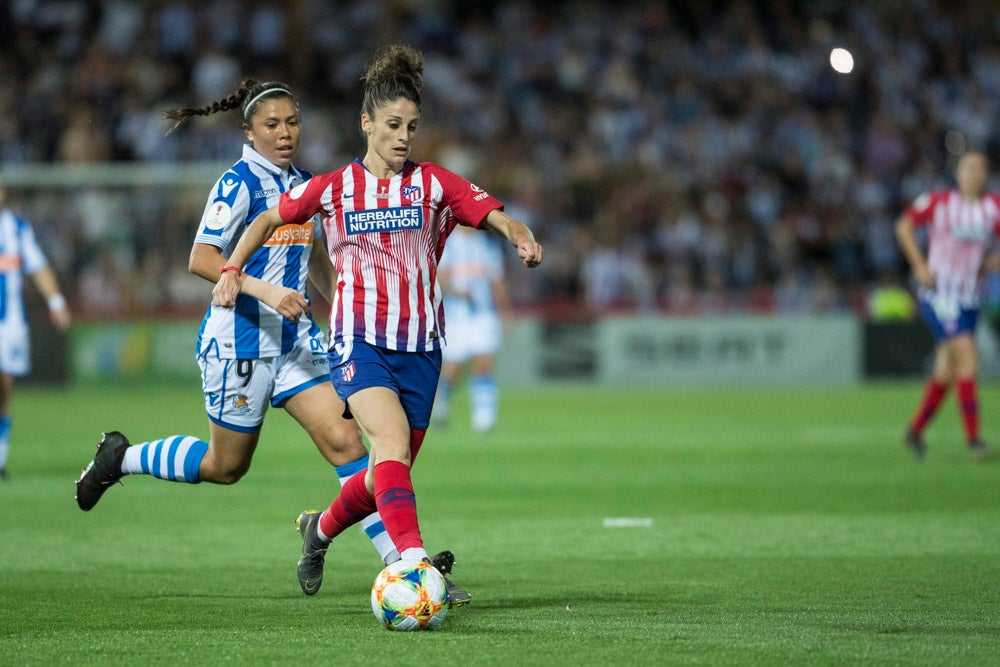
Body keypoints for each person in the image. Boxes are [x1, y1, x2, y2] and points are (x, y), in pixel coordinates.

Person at [73, 80, 468, 591]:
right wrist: (264, 290)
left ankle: (404, 566)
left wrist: (342, 313)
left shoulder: (306, 181)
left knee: (349, 441)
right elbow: (201, 259)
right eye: (271, 125)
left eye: (292, 123)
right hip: (241, 341)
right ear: (249, 131)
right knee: (226, 465)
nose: (285, 134)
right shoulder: (237, 184)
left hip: (296, 342)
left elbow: (322, 261)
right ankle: (120, 457)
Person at [213, 44, 543, 604]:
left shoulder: (434, 183)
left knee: (387, 470)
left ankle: (317, 530)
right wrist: (231, 268)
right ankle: (414, 564)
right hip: (358, 340)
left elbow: (489, 213)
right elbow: (270, 215)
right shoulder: (335, 187)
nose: (403, 136)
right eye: (392, 124)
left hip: (421, 345)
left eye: (411, 126)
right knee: (387, 443)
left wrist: (520, 236)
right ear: (366, 123)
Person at [895, 150, 1000, 462]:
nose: (974, 173)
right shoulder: (940, 202)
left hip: (970, 298)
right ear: (958, 173)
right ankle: (974, 442)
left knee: (946, 369)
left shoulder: (992, 208)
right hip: (939, 295)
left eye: (979, 168)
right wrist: (918, 265)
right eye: (968, 167)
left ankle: (914, 432)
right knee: (968, 358)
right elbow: (904, 226)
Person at [0, 175, 72, 480]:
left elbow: (38, 266)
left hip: (9, 323)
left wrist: (56, 302)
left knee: (3, 388)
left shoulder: (15, 229)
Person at [432, 224, 512, 432]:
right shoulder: (448, 245)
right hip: (456, 315)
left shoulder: (487, 246)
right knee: (453, 368)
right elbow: (440, 278)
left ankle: (484, 418)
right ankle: (440, 401)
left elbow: (497, 281)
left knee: (484, 361)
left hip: (483, 314)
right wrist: (458, 292)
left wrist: (505, 310)